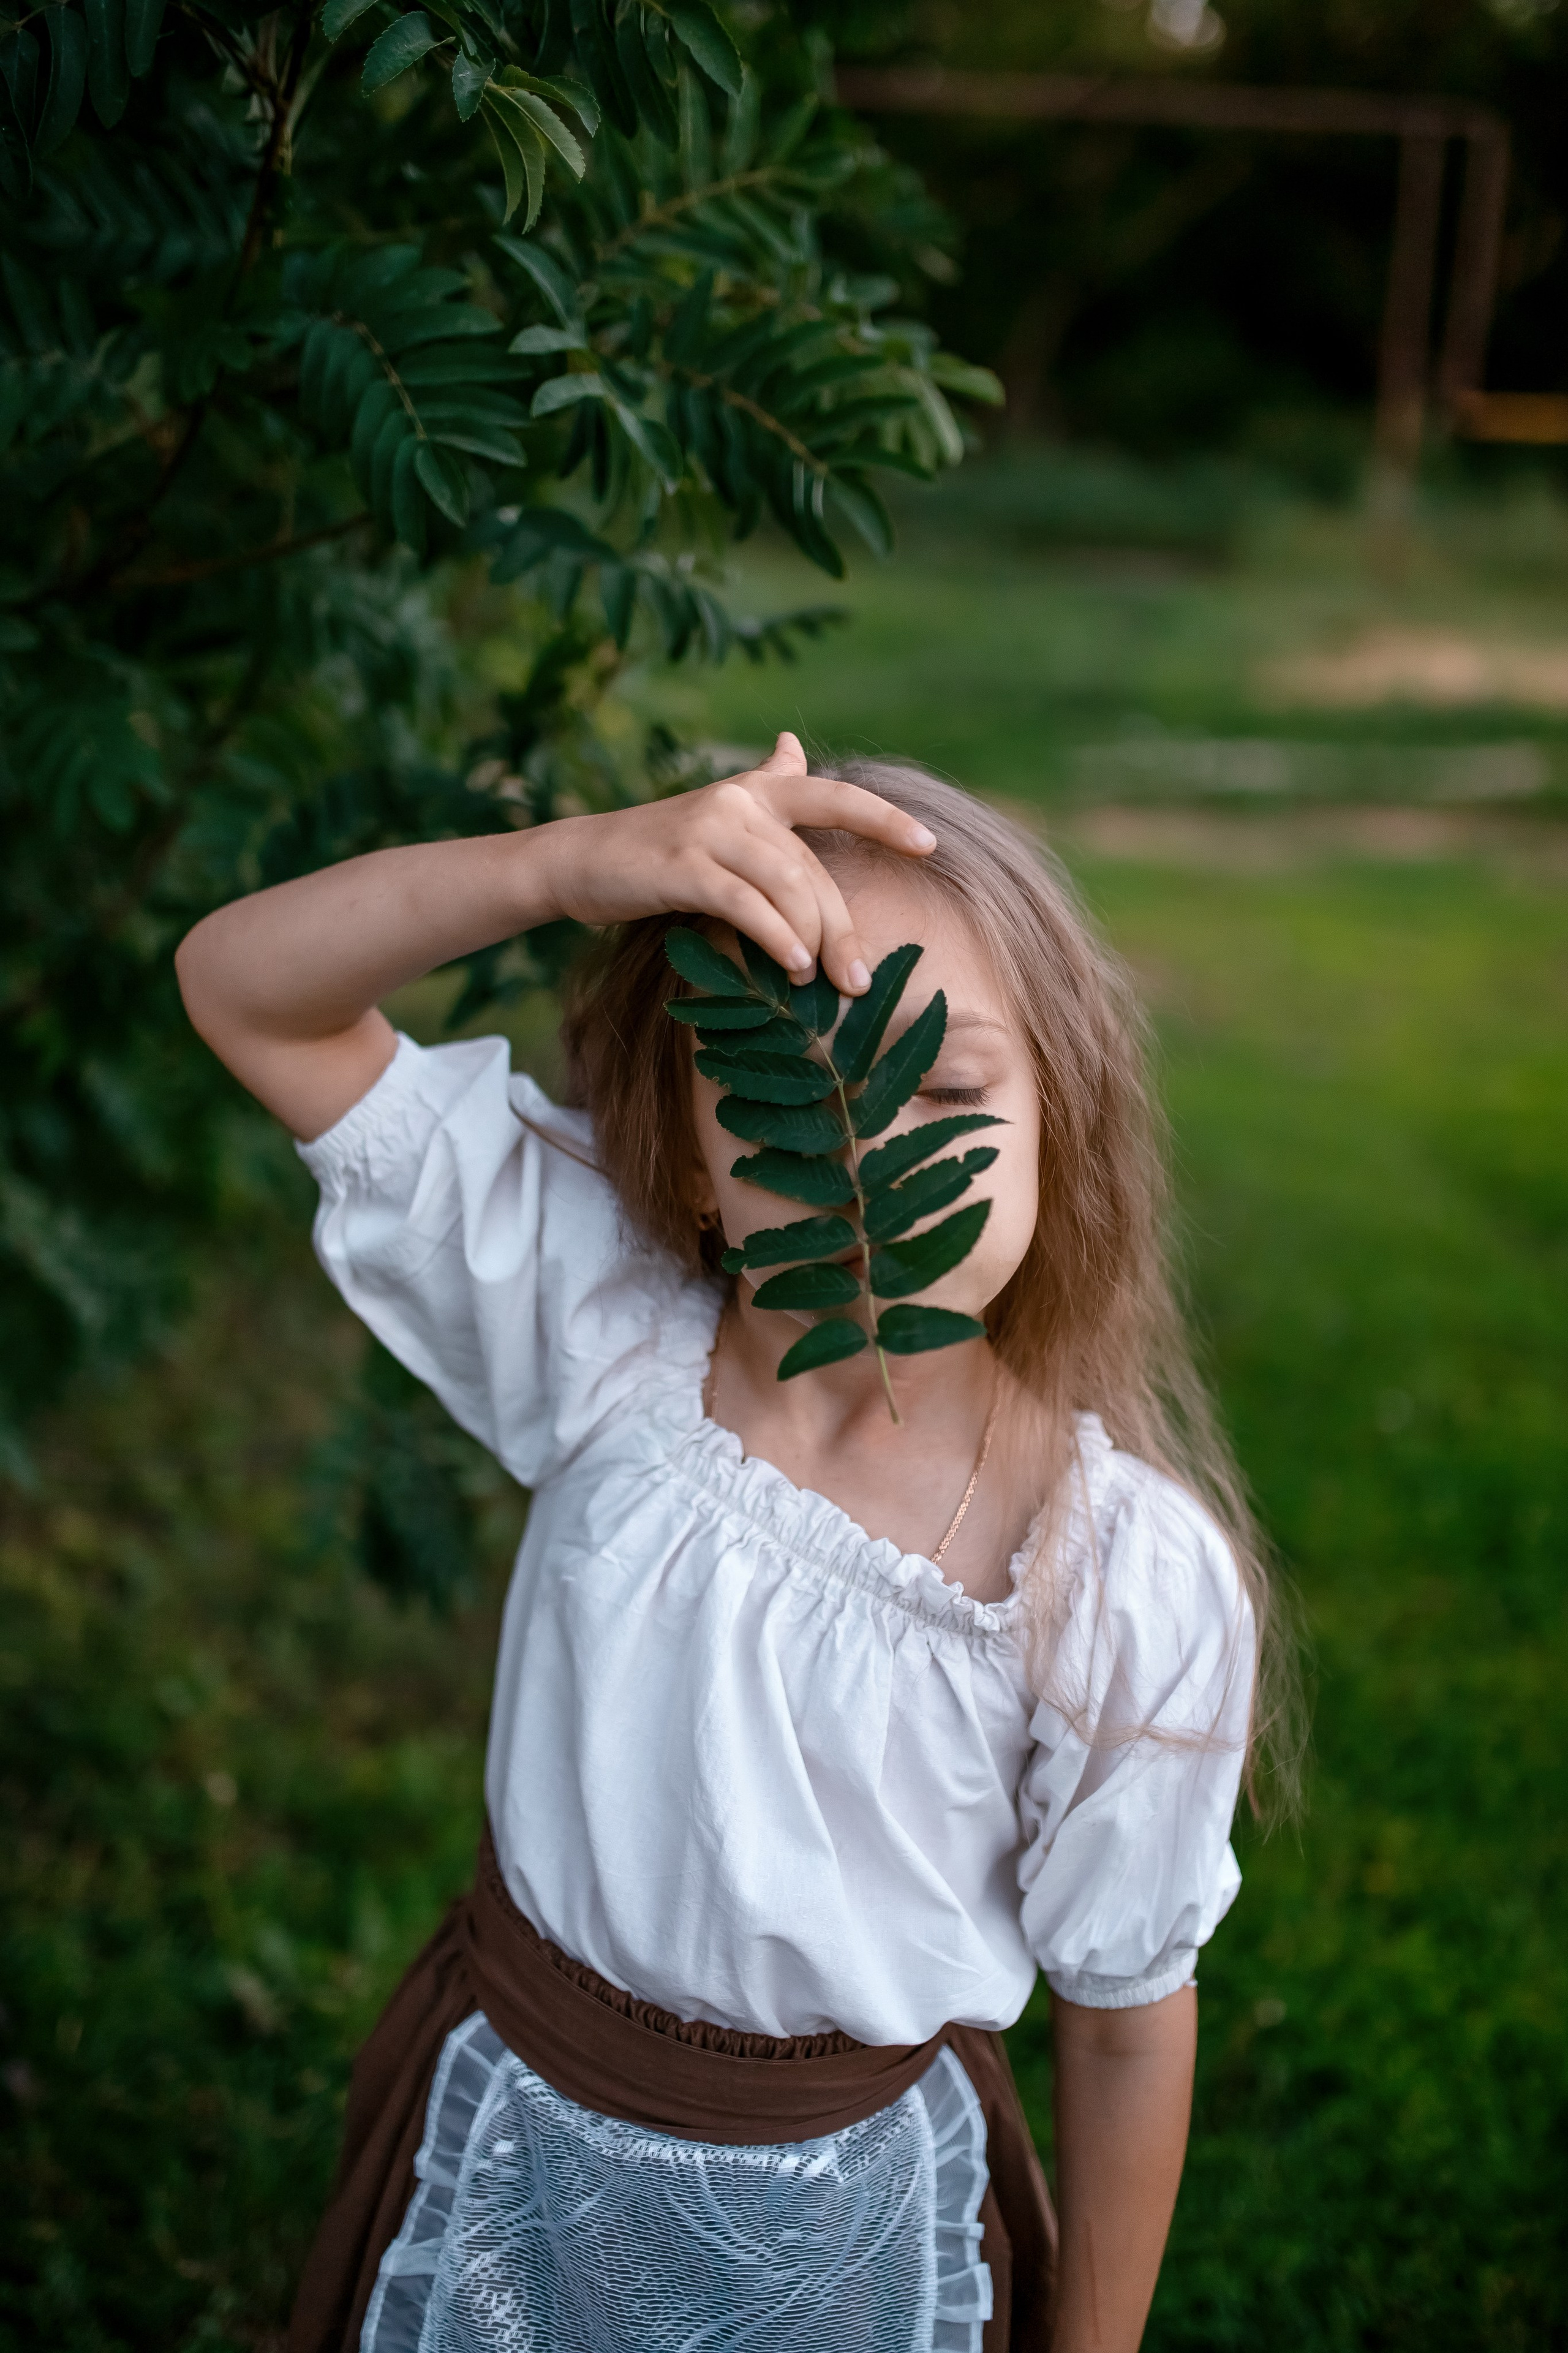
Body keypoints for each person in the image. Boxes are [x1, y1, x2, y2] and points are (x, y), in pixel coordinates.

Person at [176, 732, 1292, 2353]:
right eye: (796, 1098)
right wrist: (567, 866)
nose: (864, 1156)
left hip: (844, 2228)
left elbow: (1126, 2024)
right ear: (696, 1162)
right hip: (521, 2142)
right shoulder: (605, 1322)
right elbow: (243, 986)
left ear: (1063, 1118)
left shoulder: (1110, 1573)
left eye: (950, 1088)